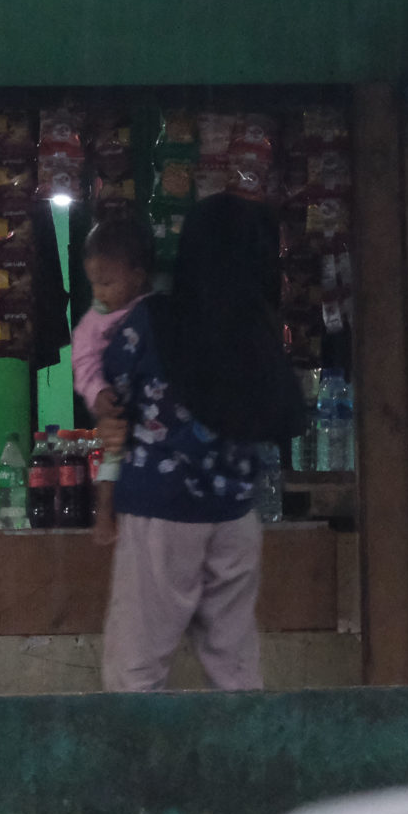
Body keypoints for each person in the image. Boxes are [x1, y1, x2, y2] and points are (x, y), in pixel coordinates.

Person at [95, 193, 308, 692]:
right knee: (234, 662)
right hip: (235, 512)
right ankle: (245, 765)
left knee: (137, 664)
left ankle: (137, 768)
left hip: (161, 511)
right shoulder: (258, 329)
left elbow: (113, 389)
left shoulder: (153, 321)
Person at [74, 213, 153, 548]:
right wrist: (98, 392)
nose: (99, 292)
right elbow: (84, 362)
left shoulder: (153, 309)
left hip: (150, 410)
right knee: (112, 458)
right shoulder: (94, 321)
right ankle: (104, 516)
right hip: (116, 407)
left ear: (137, 277)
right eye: (94, 283)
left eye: (108, 283)